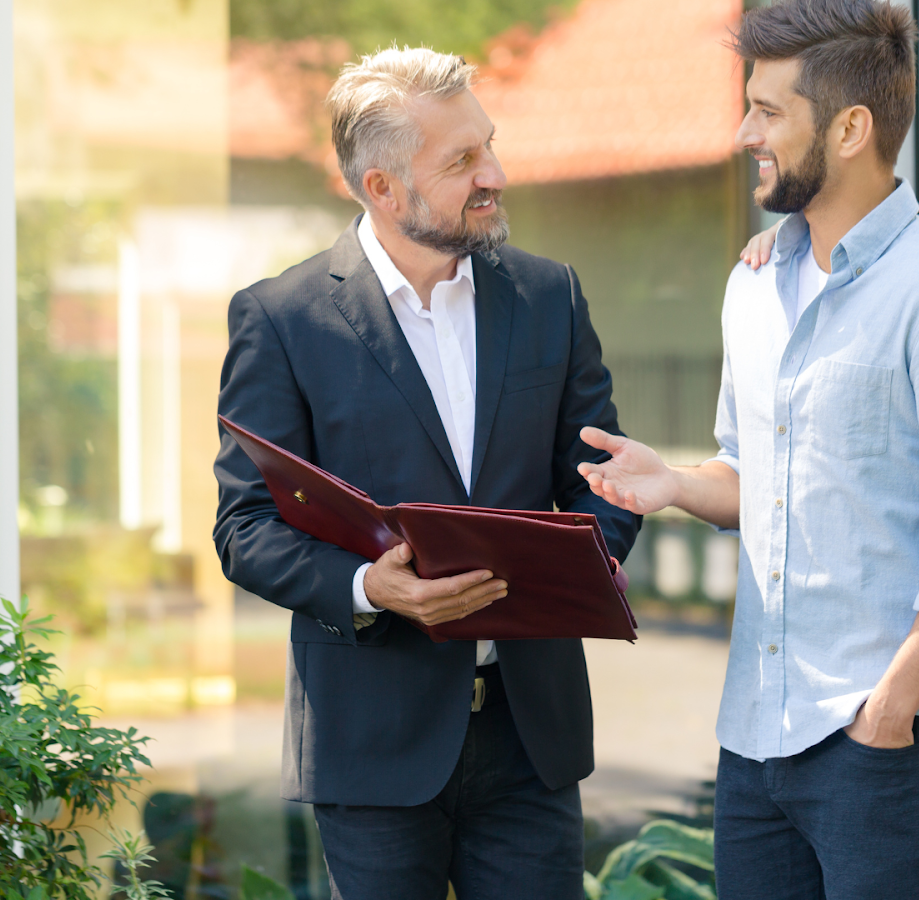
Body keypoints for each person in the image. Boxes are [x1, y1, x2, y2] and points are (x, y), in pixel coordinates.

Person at [577, 1, 919, 897]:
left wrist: (889, 710)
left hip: (891, 742)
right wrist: (676, 483)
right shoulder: (754, 285)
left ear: (850, 129)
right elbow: (754, 473)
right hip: (756, 740)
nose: (744, 134)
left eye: (768, 111)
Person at [211, 47, 639, 900]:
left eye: (490, 145)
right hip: (371, 742)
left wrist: (584, 564)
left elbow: (603, 474)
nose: (495, 175)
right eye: (463, 161)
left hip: (531, 737)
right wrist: (370, 587)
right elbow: (245, 526)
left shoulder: (550, 296)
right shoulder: (283, 319)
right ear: (383, 188)